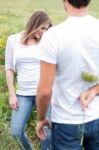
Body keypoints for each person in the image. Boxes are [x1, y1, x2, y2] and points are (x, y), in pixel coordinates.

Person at [36, 0, 99, 150]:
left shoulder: (53, 35)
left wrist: (41, 118)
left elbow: (45, 90)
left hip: (66, 122)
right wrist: (95, 90)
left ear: (64, 1)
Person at [5, 10, 52, 150]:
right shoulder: (13, 40)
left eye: (47, 28)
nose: (44, 32)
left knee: (48, 132)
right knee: (16, 132)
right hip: (23, 94)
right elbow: (8, 68)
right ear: (34, 24)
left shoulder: (47, 42)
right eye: (42, 28)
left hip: (44, 93)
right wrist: (12, 94)